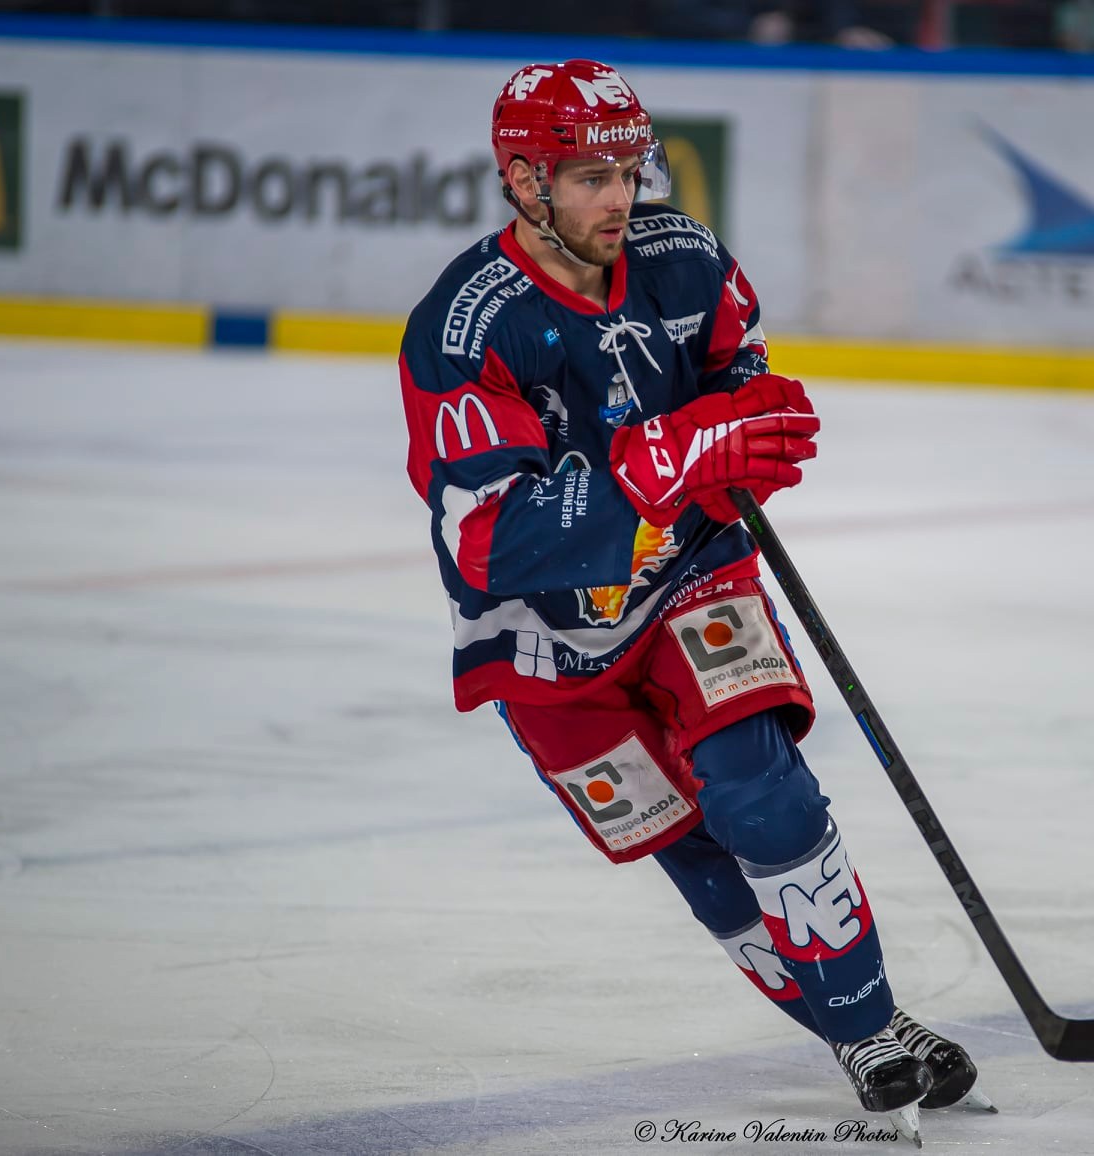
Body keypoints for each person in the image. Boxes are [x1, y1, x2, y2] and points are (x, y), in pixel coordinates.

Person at [397, 60, 992, 1137]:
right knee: (689, 845)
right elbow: (487, 541)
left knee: (760, 790)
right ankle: (867, 1024)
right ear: (523, 181)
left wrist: (736, 440)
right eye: (591, 177)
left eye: (630, 171)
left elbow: (740, 389)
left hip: (688, 573)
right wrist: (665, 458)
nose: (620, 198)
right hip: (541, 641)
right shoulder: (464, 327)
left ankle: (864, 1024)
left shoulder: (684, 260)